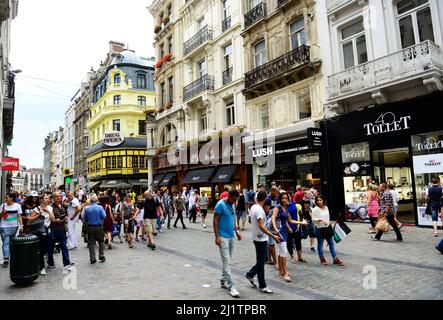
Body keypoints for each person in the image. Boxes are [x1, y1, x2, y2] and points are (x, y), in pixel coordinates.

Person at [245, 190, 280, 294]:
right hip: (260, 239)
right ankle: (263, 285)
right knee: (261, 262)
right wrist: (272, 235)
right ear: (264, 199)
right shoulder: (259, 210)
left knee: (264, 259)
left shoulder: (253, 207)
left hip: (257, 237)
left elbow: (252, 221)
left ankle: (250, 274)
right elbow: (261, 225)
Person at [271, 192, 307, 282]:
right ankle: (285, 273)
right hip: (279, 232)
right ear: (280, 199)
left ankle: (281, 271)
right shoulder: (278, 207)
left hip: (285, 231)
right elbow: (273, 218)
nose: (284, 200)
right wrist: (275, 228)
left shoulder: (285, 208)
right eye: (283, 198)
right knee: (283, 252)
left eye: (286, 198)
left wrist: (300, 223)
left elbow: (289, 220)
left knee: (280, 251)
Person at [213, 190, 242, 298]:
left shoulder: (232, 204)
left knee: (228, 260)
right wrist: (216, 236)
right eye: (234, 199)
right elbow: (215, 220)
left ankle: (223, 279)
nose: (235, 202)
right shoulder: (220, 205)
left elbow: (233, 218)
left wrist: (237, 232)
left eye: (236, 200)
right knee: (227, 262)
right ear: (229, 196)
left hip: (231, 236)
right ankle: (231, 287)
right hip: (222, 237)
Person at [312, 194, 344, 266]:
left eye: (320, 200)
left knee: (331, 243)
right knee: (320, 244)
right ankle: (322, 258)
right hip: (319, 229)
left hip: (327, 228)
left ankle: (335, 259)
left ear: (323, 201)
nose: (319, 202)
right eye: (318, 200)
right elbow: (313, 219)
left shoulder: (326, 207)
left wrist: (329, 223)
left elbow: (328, 217)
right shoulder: (315, 209)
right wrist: (318, 220)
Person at [48, 192, 74, 271]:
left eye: (59, 196)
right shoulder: (50, 207)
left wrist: (65, 220)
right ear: (53, 198)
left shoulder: (63, 206)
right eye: (56, 197)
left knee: (64, 246)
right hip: (53, 229)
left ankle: (66, 263)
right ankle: (50, 262)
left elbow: (66, 215)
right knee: (50, 247)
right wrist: (58, 220)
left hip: (62, 229)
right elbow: (50, 219)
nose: (58, 198)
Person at [29, 194, 53, 275]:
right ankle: (42, 267)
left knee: (46, 248)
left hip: (47, 230)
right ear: (41, 200)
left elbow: (53, 219)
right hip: (39, 231)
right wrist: (39, 214)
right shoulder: (37, 209)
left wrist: (48, 211)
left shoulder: (50, 208)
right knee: (41, 249)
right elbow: (30, 220)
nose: (47, 199)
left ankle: (40, 263)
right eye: (45, 198)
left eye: (48, 198)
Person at [0, 193, 23, 266]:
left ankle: (12, 256)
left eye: (7, 198)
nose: (5, 199)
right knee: (5, 242)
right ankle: (6, 258)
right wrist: (2, 213)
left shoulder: (17, 206)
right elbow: (0, 216)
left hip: (14, 226)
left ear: (11, 198)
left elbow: (19, 216)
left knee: (13, 242)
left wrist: (21, 225)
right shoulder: (3, 206)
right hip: (4, 226)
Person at [83, 194, 106, 264]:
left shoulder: (87, 209)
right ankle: (101, 255)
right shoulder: (100, 207)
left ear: (90, 201)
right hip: (99, 226)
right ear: (97, 200)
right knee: (101, 242)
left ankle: (92, 258)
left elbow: (85, 218)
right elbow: (104, 216)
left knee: (91, 244)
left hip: (90, 227)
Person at [264, 186, 279, 268]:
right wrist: (276, 212)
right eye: (276, 192)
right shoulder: (268, 199)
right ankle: (274, 261)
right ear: (272, 191)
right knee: (271, 242)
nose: (277, 194)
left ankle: (269, 258)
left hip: (273, 221)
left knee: (269, 242)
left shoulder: (275, 198)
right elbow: (267, 211)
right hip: (269, 222)